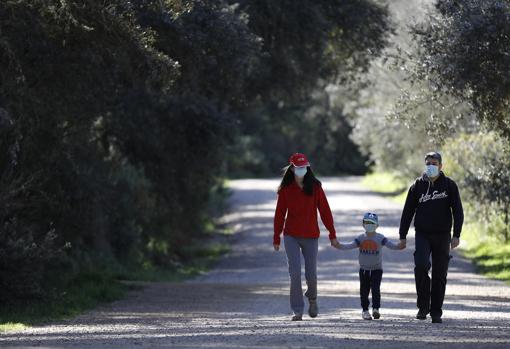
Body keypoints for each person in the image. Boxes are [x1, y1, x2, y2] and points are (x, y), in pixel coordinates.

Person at [399, 151, 464, 323]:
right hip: (422, 234)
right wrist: (402, 235)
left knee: (440, 273)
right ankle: (423, 307)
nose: (431, 166)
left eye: (434, 163)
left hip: (443, 235)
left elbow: (458, 211)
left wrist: (456, 235)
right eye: (428, 163)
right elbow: (407, 211)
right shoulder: (417, 185)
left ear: (441, 166)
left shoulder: (449, 185)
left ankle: (436, 311)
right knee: (420, 265)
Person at [273, 153, 340, 321]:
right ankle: (297, 310)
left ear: (307, 167)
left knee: (311, 274)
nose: (302, 170)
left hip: (311, 236)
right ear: (292, 168)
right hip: (291, 236)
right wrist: (276, 236)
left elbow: (325, 211)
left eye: (304, 167)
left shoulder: (316, 187)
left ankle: (312, 298)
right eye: (298, 167)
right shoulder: (286, 189)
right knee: (294, 273)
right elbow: (279, 214)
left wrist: (332, 233)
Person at [335, 212, 404, 320]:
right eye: (367, 222)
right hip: (364, 270)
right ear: (363, 224)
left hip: (377, 269)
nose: (369, 225)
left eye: (372, 223)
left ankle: (376, 309)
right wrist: (339, 245)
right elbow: (349, 245)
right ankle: (365, 310)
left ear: (377, 225)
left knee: (376, 289)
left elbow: (391, 245)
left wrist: (399, 246)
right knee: (364, 290)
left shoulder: (381, 238)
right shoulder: (361, 238)